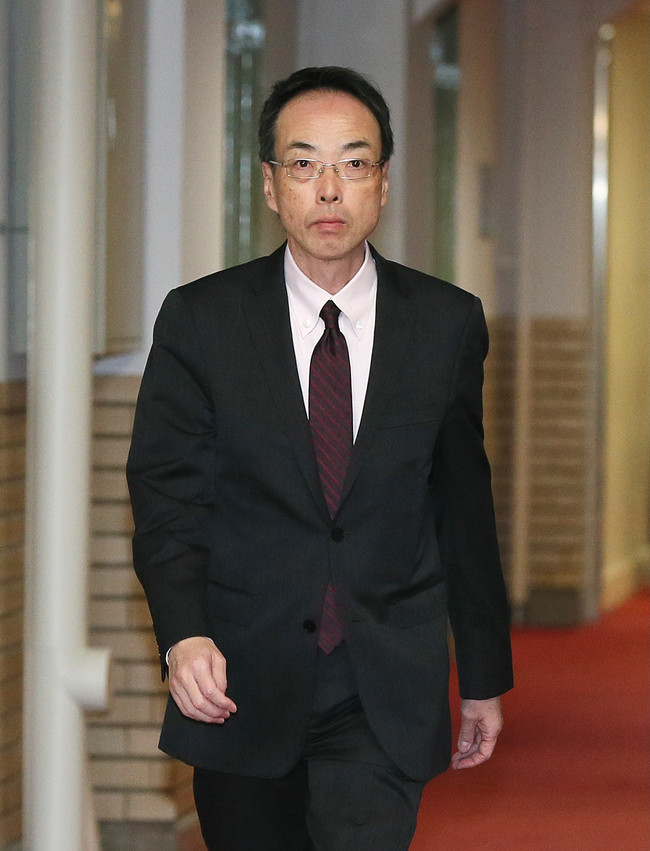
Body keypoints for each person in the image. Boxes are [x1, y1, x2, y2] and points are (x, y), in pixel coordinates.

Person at [127, 65, 513, 851]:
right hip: (242, 678)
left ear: (383, 183)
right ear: (271, 186)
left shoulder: (444, 323)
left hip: (381, 684)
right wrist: (184, 633)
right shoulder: (203, 320)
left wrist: (482, 676)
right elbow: (168, 497)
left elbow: (462, 508)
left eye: (353, 164)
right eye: (304, 164)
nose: (329, 189)